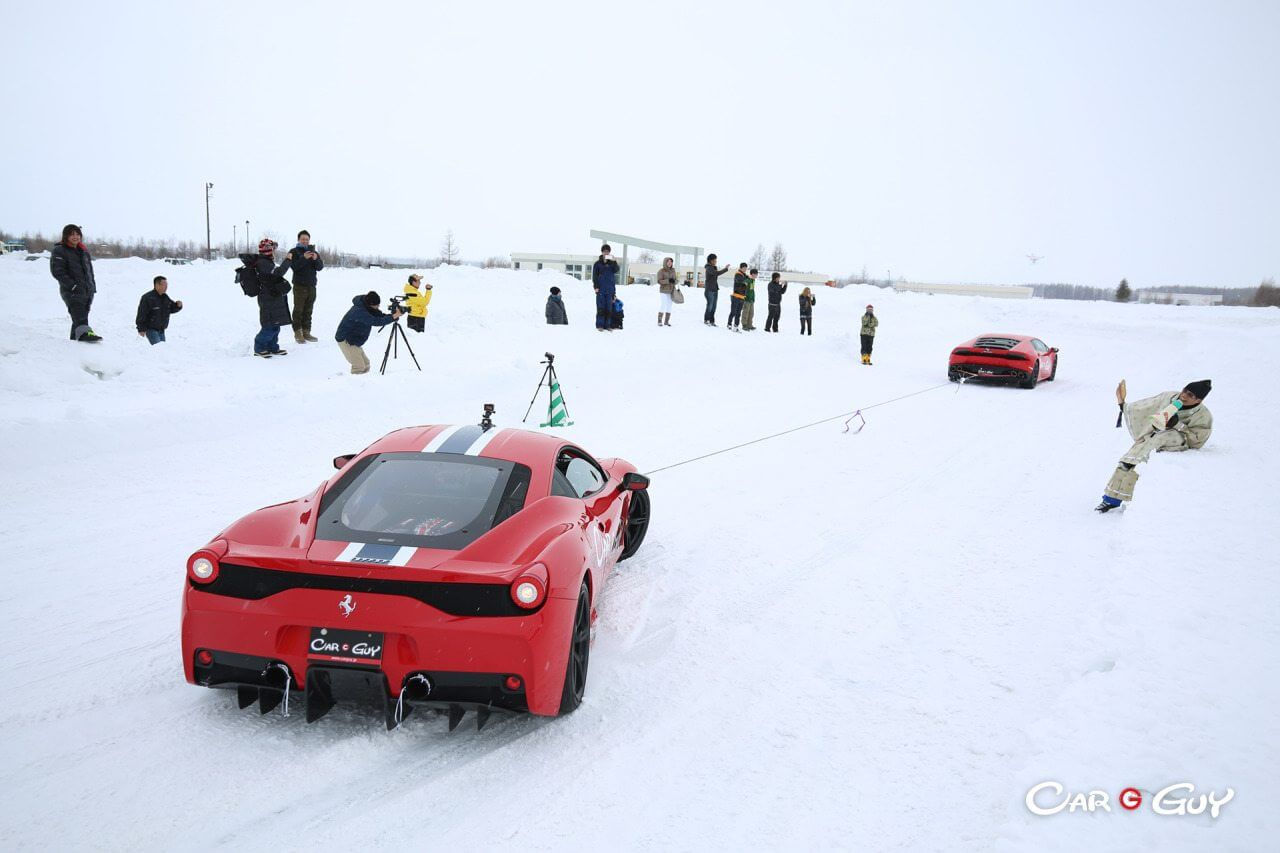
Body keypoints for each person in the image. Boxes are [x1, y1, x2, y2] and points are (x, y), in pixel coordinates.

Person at [1095, 379, 1213, 513]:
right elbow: (1146, 406)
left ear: (1198, 401)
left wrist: (1178, 425)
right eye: (1185, 391)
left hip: (1174, 439)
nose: (1184, 396)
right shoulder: (1168, 397)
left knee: (1146, 455)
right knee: (1129, 459)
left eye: (1191, 395)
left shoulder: (1203, 415)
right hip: (1153, 435)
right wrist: (1123, 404)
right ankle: (1111, 499)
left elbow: (1198, 440)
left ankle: (1129, 497)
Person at [49, 224, 101, 342]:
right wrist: (72, 286)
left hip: (87, 291)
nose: (75, 237)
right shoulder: (60, 250)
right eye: (72, 234)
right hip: (72, 291)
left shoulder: (83, 251)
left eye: (77, 234)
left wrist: (92, 287)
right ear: (66, 236)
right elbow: (58, 272)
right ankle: (85, 335)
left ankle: (74, 342)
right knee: (80, 316)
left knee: (78, 318)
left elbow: (89, 271)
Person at [334, 291, 402, 375]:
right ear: (371, 304)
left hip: (354, 339)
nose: (378, 307)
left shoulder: (367, 306)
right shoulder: (359, 311)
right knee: (359, 366)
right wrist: (393, 317)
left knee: (366, 364)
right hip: (346, 340)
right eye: (377, 305)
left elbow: (379, 316)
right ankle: (352, 385)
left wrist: (393, 316)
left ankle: (364, 384)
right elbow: (376, 321)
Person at [248, 238, 292, 357]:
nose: (273, 251)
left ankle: (272, 347)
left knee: (275, 324)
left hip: (273, 296)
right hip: (267, 298)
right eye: (272, 249)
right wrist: (288, 260)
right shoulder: (263, 262)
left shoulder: (266, 260)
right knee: (269, 325)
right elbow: (279, 272)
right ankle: (259, 347)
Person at [280, 230, 324, 344]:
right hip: (299, 286)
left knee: (308, 310)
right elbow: (294, 267)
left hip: (312, 286)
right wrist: (304, 258)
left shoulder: (314, 252)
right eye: (303, 239)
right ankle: (298, 333)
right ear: (298, 240)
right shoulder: (294, 252)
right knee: (298, 310)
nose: (305, 241)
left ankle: (306, 332)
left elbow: (320, 267)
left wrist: (316, 259)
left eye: (307, 239)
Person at [135, 275, 183, 345]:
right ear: (157, 285)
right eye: (164, 285)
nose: (166, 287)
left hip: (161, 330)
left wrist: (178, 306)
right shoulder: (147, 298)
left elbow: (171, 308)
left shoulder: (165, 297)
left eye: (167, 285)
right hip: (151, 330)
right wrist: (141, 329)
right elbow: (141, 314)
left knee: (161, 351)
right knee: (158, 349)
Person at [592, 244, 619, 331]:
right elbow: (594, 277)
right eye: (604, 251)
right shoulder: (597, 264)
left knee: (609, 308)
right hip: (601, 289)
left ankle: (607, 325)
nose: (606, 253)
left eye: (607, 251)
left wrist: (614, 261)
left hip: (610, 289)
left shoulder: (612, 263)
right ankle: (600, 325)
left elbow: (616, 270)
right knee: (601, 308)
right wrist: (596, 287)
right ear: (602, 252)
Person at [703, 254, 729, 325]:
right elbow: (716, 273)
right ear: (710, 261)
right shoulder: (709, 268)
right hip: (709, 290)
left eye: (716, 260)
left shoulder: (713, 267)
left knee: (714, 306)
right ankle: (706, 319)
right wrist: (725, 269)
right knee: (710, 305)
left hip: (715, 289)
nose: (716, 261)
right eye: (714, 260)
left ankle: (712, 321)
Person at [656, 257, 678, 326]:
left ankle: (666, 321)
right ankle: (659, 321)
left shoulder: (673, 271)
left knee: (669, 306)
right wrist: (668, 280)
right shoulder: (661, 271)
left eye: (671, 262)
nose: (670, 263)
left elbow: (676, 280)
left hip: (671, 291)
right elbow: (659, 281)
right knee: (663, 304)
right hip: (663, 291)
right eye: (668, 261)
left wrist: (675, 281)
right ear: (665, 262)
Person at [728, 263, 749, 331]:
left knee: (738, 313)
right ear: (741, 268)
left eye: (746, 268)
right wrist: (745, 281)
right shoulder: (738, 274)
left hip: (742, 297)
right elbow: (740, 281)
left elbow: (746, 282)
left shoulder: (744, 275)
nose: (745, 269)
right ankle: (729, 324)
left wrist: (746, 279)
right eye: (744, 268)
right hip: (736, 296)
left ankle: (736, 326)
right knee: (733, 312)